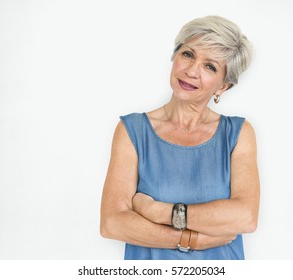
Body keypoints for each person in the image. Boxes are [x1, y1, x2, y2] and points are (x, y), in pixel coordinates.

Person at [100, 15, 260, 260]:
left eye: (210, 67)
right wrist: (192, 239)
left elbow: (245, 217)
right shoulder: (132, 130)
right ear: (175, 56)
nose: (192, 71)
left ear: (223, 87)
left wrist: (158, 211)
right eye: (188, 54)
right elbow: (112, 223)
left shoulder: (238, 133)